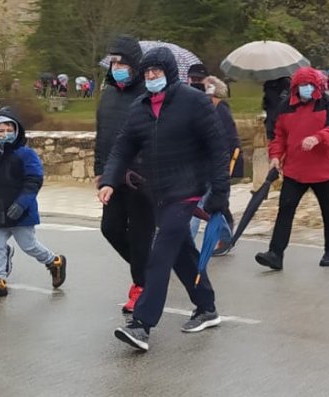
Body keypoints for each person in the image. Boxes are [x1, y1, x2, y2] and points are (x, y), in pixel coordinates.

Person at [98, 47, 230, 352]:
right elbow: (122, 149)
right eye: (147, 72)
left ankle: (142, 325)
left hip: (188, 191)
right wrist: (109, 181)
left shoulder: (194, 102)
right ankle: (206, 307)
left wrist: (220, 194)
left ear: (169, 72)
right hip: (157, 193)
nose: (151, 76)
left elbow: (217, 149)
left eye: (156, 71)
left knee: (161, 253)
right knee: (182, 251)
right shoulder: (140, 107)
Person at [255, 67, 329, 271]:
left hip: (322, 168)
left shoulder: (328, 103)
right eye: (302, 85)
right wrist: (275, 157)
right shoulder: (285, 106)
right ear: (295, 87)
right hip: (295, 169)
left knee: (328, 209)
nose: (307, 89)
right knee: (285, 209)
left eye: (310, 85)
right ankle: (275, 253)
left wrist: (318, 138)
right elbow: (279, 136)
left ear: (317, 86)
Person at [0, 109, 67, 299]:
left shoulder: (26, 154)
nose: (5, 134)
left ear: (17, 131)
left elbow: (34, 180)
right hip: (0, 210)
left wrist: (22, 204)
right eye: (1, 130)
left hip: (21, 212)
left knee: (29, 246)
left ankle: (55, 262)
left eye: (9, 129)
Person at [94, 36, 154, 314]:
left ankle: (141, 286)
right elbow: (102, 135)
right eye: (114, 61)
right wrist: (99, 171)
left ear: (135, 65)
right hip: (112, 176)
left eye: (122, 62)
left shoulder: (148, 96)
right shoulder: (107, 94)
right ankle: (151, 269)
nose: (117, 66)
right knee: (110, 229)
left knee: (141, 234)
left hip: (140, 178)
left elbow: (153, 137)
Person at [190, 75, 240, 254]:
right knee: (209, 203)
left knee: (199, 204)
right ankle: (226, 238)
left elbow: (228, 137)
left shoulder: (220, 107)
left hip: (216, 163)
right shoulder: (198, 108)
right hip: (201, 162)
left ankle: (183, 246)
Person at [262, 76, 292, 141]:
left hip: (273, 121)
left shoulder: (268, 83)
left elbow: (265, 104)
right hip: (278, 121)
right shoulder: (287, 82)